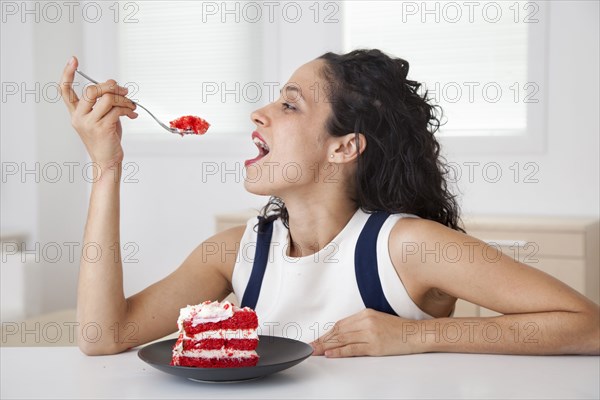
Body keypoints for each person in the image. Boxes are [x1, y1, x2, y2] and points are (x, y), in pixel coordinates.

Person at [59, 49, 599, 357]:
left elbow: (588, 326)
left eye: (290, 104)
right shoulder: (236, 251)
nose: (259, 114)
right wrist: (106, 168)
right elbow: (101, 336)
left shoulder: (406, 247)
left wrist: (419, 335)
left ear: (345, 146)